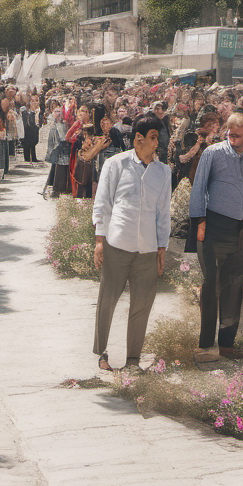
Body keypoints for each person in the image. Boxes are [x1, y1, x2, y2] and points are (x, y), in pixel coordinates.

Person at [91, 113, 171, 373]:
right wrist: (100, 241)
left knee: (142, 305)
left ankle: (133, 359)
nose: (156, 143)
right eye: (153, 138)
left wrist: (161, 248)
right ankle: (102, 352)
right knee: (108, 300)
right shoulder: (116, 165)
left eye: (157, 138)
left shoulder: (163, 172)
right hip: (117, 243)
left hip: (147, 248)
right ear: (138, 139)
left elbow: (163, 212)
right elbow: (103, 202)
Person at [189, 111, 243, 366]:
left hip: (240, 228)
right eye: (230, 135)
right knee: (211, 284)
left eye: (238, 136)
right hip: (212, 226)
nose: (233, 140)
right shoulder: (213, 153)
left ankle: (227, 343)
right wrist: (199, 222)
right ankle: (205, 344)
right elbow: (198, 187)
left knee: (233, 286)